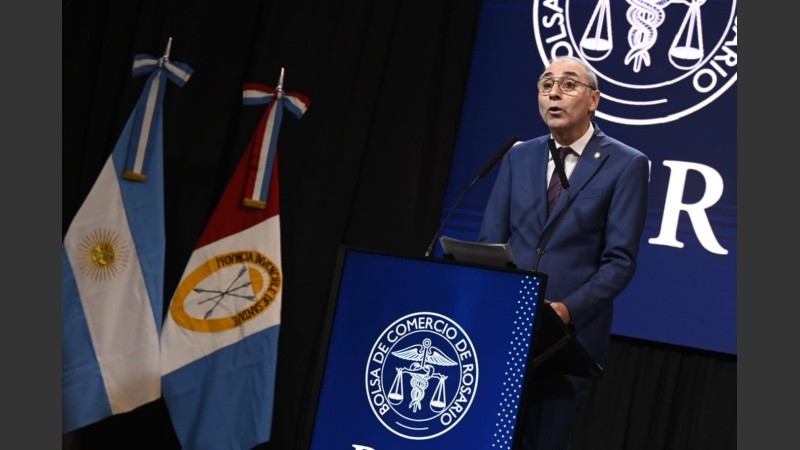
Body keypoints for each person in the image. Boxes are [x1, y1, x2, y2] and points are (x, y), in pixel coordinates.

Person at [478, 55, 650, 449]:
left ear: (594, 100)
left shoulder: (626, 164)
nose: (554, 92)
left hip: (563, 343)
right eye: (546, 84)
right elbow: (490, 241)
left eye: (569, 84)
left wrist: (566, 310)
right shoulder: (518, 155)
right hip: (504, 331)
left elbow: (619, 261)